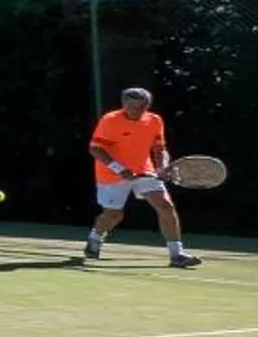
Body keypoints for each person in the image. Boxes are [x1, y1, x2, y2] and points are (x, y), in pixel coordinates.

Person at [85, 86, 199, 268]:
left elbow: (159, 148)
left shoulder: (154, 120)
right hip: (110, 174)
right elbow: (95, 149)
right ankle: (95, 237)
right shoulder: (110, 120)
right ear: (124, 104)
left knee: (166, 206)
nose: (136, 111)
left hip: (144, 170)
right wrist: (119, 169)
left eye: (141, 107)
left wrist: (162, 166)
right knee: (114, 215)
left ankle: (177, 254)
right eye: (132, 107)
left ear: (147, 106)